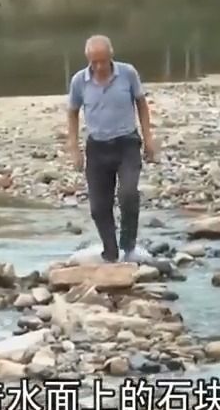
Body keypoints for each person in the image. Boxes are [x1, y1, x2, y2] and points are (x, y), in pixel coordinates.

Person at [66, 35, 159, 263]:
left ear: (111, 56)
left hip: (126, 144)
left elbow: (141, 103)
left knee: (128, 194)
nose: (99, 67)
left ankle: (129, 247)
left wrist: (148, 138)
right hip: (97, 148)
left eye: (103, 61)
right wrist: (74, 148)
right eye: (94, 62)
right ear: (88, 59)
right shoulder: (79, 81)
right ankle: (110, 252)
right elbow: (72, 112)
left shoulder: (127, 73)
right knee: (99, 207)